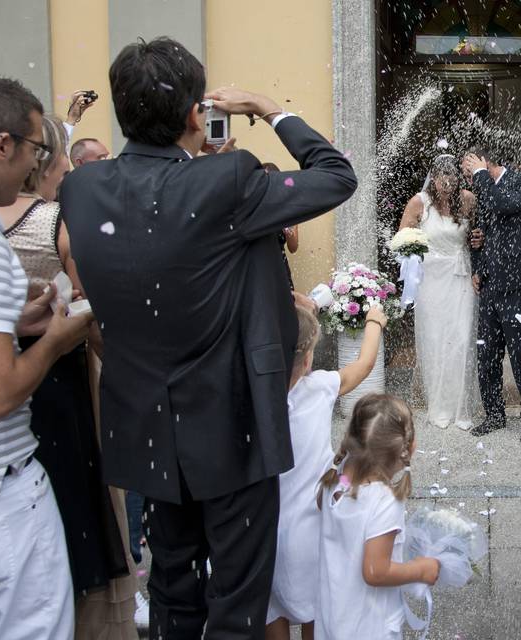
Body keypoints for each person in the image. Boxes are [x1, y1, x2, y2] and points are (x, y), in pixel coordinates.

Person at [59, 37, 357, 638]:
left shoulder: (81, 191)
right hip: (231, 428)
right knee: (238, 598)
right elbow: (335, 175)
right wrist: (270, 108)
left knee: (172, 590)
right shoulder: (228, 182)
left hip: (146, 429)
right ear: (198, 113)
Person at [0, 74, 92, 639]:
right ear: (0, 145)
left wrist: (9, 324)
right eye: (36, 148)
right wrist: (55, 340)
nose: (37, 164)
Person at [0, 114, 137, 638]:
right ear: (50, 160)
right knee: (75, 495)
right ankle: (75, 606)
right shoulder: (54, 220)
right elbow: (91, 311)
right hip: (58, 377)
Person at [266, 302, 388, 640]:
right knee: (317, 614)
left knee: (269, 611)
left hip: (264, 529)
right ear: (307, 360)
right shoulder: (317, 388)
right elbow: (363, 366)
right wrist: (374, 321)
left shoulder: (254, 399)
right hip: (309, 532)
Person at [315, 393, 440, 640]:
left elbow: (325, 504)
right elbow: (375, 571)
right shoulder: (384, 502)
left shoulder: (339, 478)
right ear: (408, 449)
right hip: (368, 627)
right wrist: (420, 570)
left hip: (334, 618)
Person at [462, 146, 521, 444]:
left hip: (518, 284)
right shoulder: (484, 188)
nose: (467, 178)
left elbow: (503, 206)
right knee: (487, 354)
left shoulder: (520, 182)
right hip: (491, 285)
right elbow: (486, 231)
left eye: (469, 171)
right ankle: (495, 414)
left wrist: (481, 175)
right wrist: (478, 261)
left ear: (485, 164)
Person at [398, 154, 479, 430]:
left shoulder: (467, 199)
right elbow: (402, 239)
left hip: (461, 278)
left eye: (452, 177)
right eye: (442, 177)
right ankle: (439, 407)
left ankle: (460, 408)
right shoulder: (419, 202)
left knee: (461, 338)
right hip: (432, 281)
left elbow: (478, 234)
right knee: (435, 340)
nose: (447, 183)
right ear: (433, 177)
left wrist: (477, 238)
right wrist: (416, 255)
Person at [262, 162, 298, 290]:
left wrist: (289, 232)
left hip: (280, 268)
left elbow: (293, 247)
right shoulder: (254, 207)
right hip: (258, 267)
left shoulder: (288, 207)